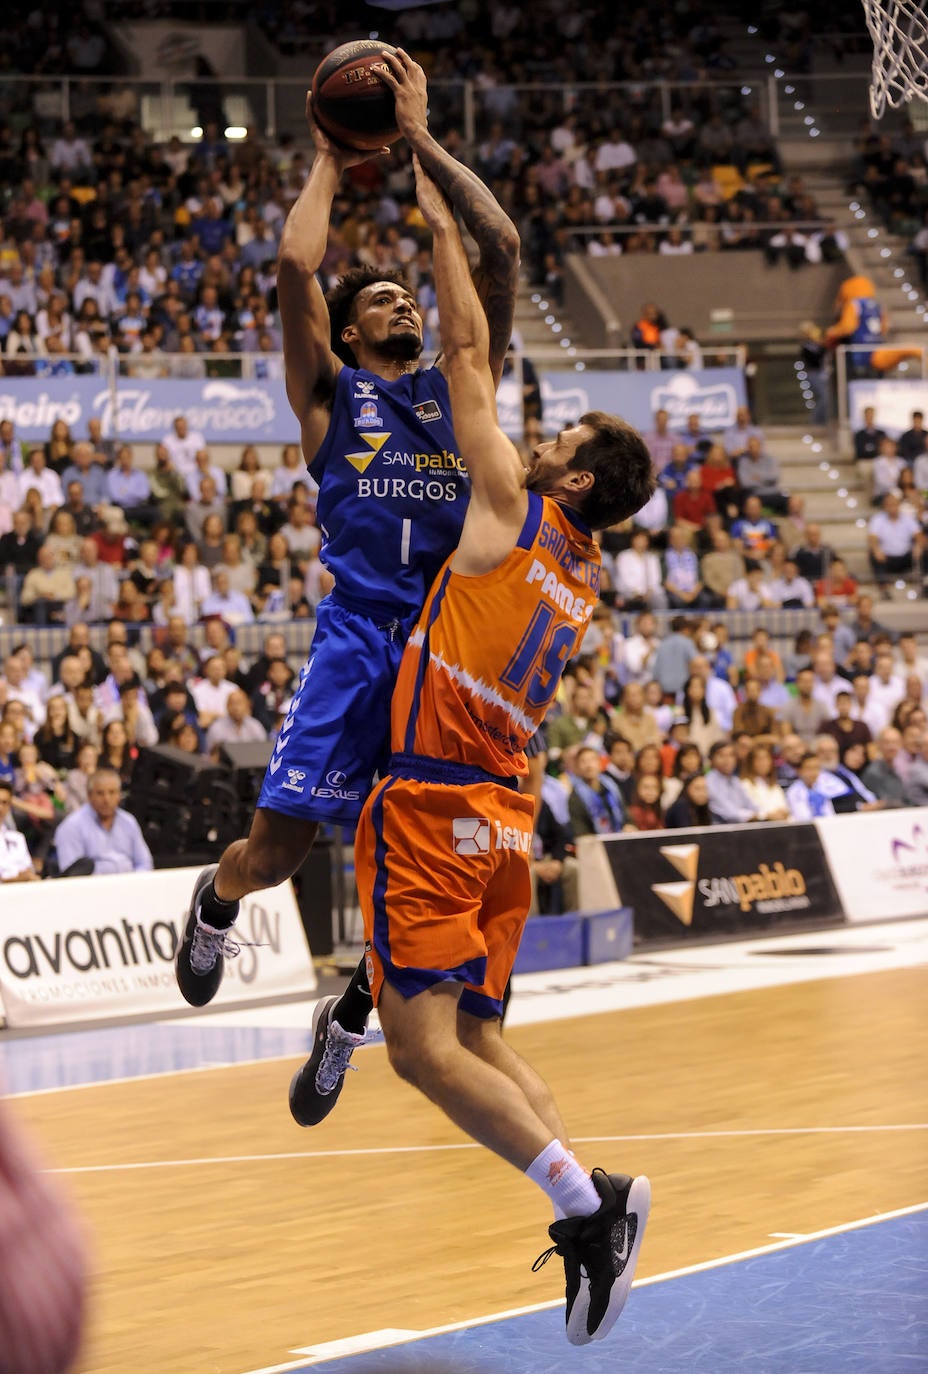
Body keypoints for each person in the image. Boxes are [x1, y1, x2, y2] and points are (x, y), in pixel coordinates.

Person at [298, 148, 650, 1343]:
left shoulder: (510, 507)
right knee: (487, 1041)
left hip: (435, 805)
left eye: (568, 440)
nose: (540, 439)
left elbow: (464, 354)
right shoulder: (584, 570)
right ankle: (584, 1197)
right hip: (505, 817)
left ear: (580, 476)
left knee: (422, 1055)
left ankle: (586, 1206)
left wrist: (430, 195)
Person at [174, 53, 521, 1047]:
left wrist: (419, 144)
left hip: (441, 655)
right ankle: (217, 896)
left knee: (416, 871)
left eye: (407, 296)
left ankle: (351, 1018)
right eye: (377, 301)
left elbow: (498, 248)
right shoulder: (333, 398)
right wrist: (330, 157)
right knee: (279, 853)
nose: (401, 305)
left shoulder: (462, 394)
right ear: (351, 330)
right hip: (360, 639)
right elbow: (292, 268)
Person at [54, 767, 153, 875]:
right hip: (94, 889)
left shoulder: (129, 822)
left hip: (131, 886)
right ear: (89, 795)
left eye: (112, 792)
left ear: (119, 795)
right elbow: (73, 875)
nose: (107, 799)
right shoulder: (71, 827)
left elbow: (145, 863)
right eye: (100, 793)